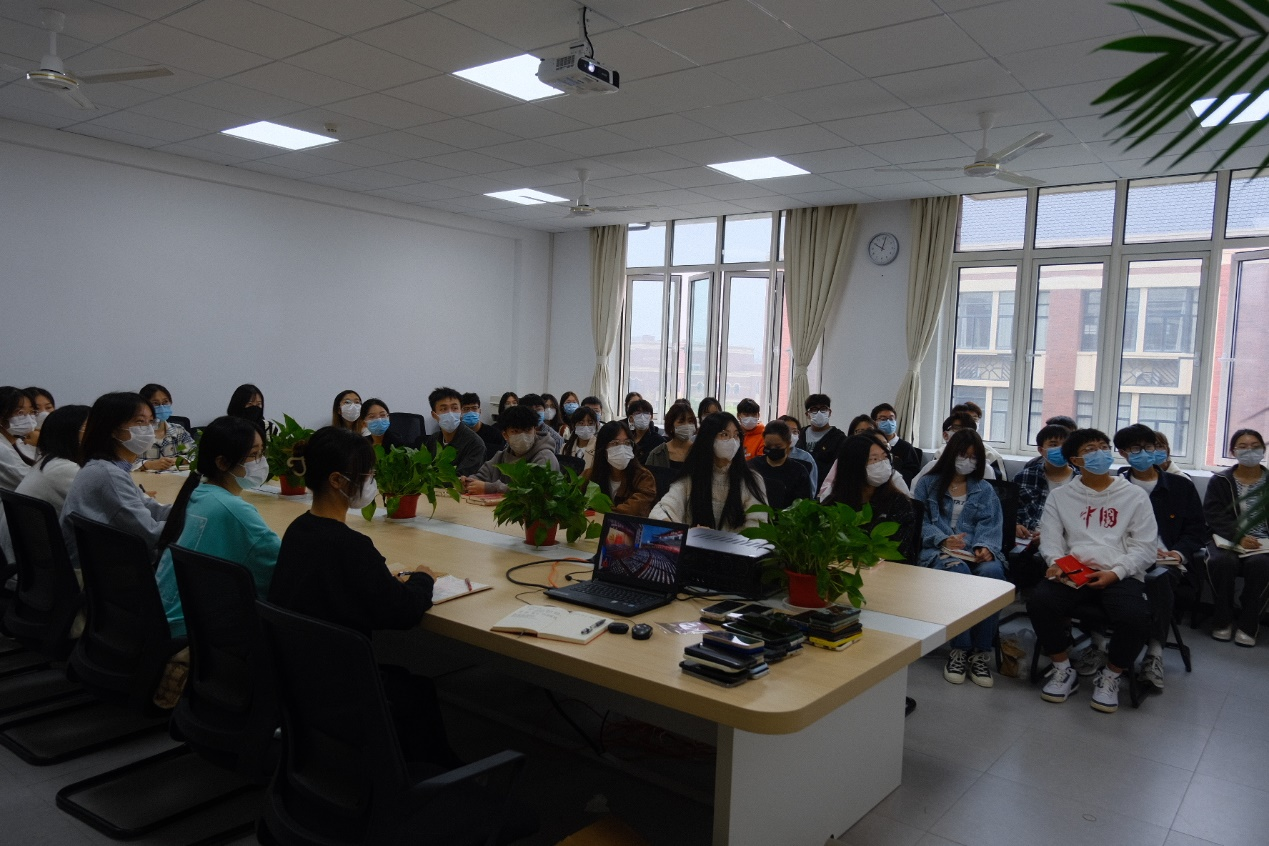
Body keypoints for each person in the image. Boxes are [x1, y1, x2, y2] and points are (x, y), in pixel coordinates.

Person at [267, 426, 458, 768]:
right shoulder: (350, 545)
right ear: (337, 480)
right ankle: (434, 777)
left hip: (302, 680)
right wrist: (422, 579)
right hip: (344, 687)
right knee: (415, 689)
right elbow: (403, 612)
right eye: (367, 474)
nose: (372, 482)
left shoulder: (298, 530)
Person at [1029, 428, 1156, 714]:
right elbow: (1051, 539)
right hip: (1074, 571)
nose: (1100, 453)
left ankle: (1111, 675)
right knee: (1040, 602)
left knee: (1135, 617)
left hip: (1119, 572)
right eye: (1090, 449)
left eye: (1103, 447)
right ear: (1075, 460)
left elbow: (1145, 547)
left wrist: (1117, 572)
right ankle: (1063, 668)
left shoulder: (1133, 495)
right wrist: (1056, 563)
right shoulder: (1061, 496)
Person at [153, 416, 280, 639]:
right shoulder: (233, 510)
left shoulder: (197, 493)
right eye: (253, 455)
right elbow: (283, 570)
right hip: (192, 631)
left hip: (162, 618)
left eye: (262, 453)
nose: (260, 462)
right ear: (222, 462)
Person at [1111, 423, 1205, 691]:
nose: (1144, 453)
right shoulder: (1114, 486)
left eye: (1149, 447)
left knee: (1158, 579)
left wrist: (1178, 552)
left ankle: (1154, 654)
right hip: (1121, 556)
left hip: (1165, 560)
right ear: (1123, 453)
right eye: (1135, 448)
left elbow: (1197, 530)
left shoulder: (1180, 486)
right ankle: (1097, 645)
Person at [912, 429, 1006, 689]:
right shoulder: (928, 484)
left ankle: (980, 652)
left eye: (974, 457)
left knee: (993, 574)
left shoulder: (985, 489)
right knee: (958, 572)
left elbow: (992, 524)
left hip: (974, 550)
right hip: (937, 550)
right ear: (951, 453)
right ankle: (961, 649)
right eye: (963, 455)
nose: (968, 461)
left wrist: (985, 547)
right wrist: (942, 539)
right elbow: (918, 522)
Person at [61, 392, 172, 567]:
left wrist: (186, 510)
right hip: (98, 573)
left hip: (103, 565)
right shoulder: (108, 474)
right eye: (139, 422)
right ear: (113, 428)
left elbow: (147, 507)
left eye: (150, 421)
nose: (148, 429)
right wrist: (192, 524)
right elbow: (151, 534)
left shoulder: (107, 466)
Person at [0, 404, 89, 564]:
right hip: (41, 567)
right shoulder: (64, 469)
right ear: (71, 434)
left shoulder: (51, 462)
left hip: (29, 567)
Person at [1203, 428, 1268, 647]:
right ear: (1233, 451)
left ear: (1263, 450)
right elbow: (1214, 514)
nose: (1249, 450)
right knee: (1222, 563)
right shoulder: (1221, 480)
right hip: (1227, 539)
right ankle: (1222, 620)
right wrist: (1238, 536)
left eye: (1255, 446)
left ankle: (1249, 625)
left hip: (1263, 542)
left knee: (1261, 565)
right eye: (1243, 446)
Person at [649, 412, 767, 532]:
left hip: (736, 544)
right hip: (696, 543)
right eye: (724, 434)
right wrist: (683, 532)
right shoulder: (691, 476)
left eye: (736, 435)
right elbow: (662, 510)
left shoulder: (751, 480)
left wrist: (715, 538)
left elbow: (758, 527)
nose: (732, 441)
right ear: (708, 439)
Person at [823, 434, 917, 566]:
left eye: (885, 457)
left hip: (888, 571)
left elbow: (897, 551)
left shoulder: (898, 503)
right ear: (854, 465)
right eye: (874, 459)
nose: (882, 464)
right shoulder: (834, 503)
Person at [1012, 424, 1079, 592]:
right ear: (1041, 450)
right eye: (1054, 444)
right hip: (1027, 539)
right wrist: (1015, 525)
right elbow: (1009, 512)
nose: (1060, 449)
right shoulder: (1024, 477)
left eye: (1065, 444)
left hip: (1065, 542)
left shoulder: (1081, 481)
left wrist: (1050, 536)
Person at [462, 404, 560, 495]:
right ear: (505, 435)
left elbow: (534, 493)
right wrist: (467, 482)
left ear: (535, 430)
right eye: (515, 431)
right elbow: (480, 477)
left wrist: (491, 488)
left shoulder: (545, 458)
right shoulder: (501, 457)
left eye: (528, 430)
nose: (523, 436)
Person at [584, 422, 656, 517]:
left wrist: (599, 512)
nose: (622, 449)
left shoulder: (643, 477)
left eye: (627, 443)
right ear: (603, 449)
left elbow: (633, 510)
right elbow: (574, 501)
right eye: (615, 443)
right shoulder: (590, 474)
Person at [911, 413, 993, 488]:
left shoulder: (985, 470)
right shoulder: (932, 466)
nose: (964, 434)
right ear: (945, 435)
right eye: (958, 429)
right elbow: (914, 494)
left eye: (969, 430)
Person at [423, 386, 486, 477]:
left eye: (455, 408)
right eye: (444, 409)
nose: (450, 413)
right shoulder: (433, 440)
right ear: (434, 415)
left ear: (461, 411)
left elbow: (460, 479)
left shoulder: (475, 444)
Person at [747, 420, 811, 509]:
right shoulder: (752, 466)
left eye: (778, 446)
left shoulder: (799, 472)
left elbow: (803, 506)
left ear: (788, 444)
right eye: (769, 446)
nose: (772, 449)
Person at [134, 384, 196, 472]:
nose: (162, 407)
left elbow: (195, 454)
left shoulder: (178, 431)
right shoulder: (135, 433)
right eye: (155, 403)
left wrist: (177, 461)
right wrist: (148, 464)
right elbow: (122, 461)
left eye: (165, 402)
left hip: (175, 478)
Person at [796, 394, 846, 486]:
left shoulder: (839, 438)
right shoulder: (799, 435)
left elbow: (839, 467)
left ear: (829, 412)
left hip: (825, 487)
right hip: (799, 485)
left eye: (823, 409)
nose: (819, 413)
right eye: (814, 409)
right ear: (807, 414)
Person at [871, 403, 923, 486]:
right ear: (874, 422)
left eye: (891, 419)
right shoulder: (871, 445)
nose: (888, 422)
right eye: (883, 419)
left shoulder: (906, 447)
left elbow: (913, 474)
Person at [0, 386, 38, 488]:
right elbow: (33, 482)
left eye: (32, 412)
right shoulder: (2, 448)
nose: (28, 418)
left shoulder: (21, 441)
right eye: (20, 412)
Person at [645, 403, 696, 471]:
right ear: (671, 426)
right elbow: (647, 476)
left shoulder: (700, 452)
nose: (687, 425)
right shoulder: (657, 454)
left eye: (690, 421)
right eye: (681, 422)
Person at [776, 414, 818, 493]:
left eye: (795, 431)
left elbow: (811, 489)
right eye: (787, 431)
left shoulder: (805, 458)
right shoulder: (771, 455)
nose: (791, 435)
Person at [461, 392, 504, 458]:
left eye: (474, 408)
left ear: (480, 411)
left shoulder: (494, 434)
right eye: (466, 409)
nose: (470, 412)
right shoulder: (458, 435)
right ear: (460, 412)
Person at [626, 398, 665, 465]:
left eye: (646, 413)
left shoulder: (658, 441)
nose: (642, 416)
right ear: (631, 418)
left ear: (651, 417)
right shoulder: (627, 438)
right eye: (638, 413)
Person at [561, 405, 599, 471]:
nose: (586, 426)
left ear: (596, 425)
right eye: (581, 423)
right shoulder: (565, 448)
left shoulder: (600, 447)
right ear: (574, 425)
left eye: (590, 423)